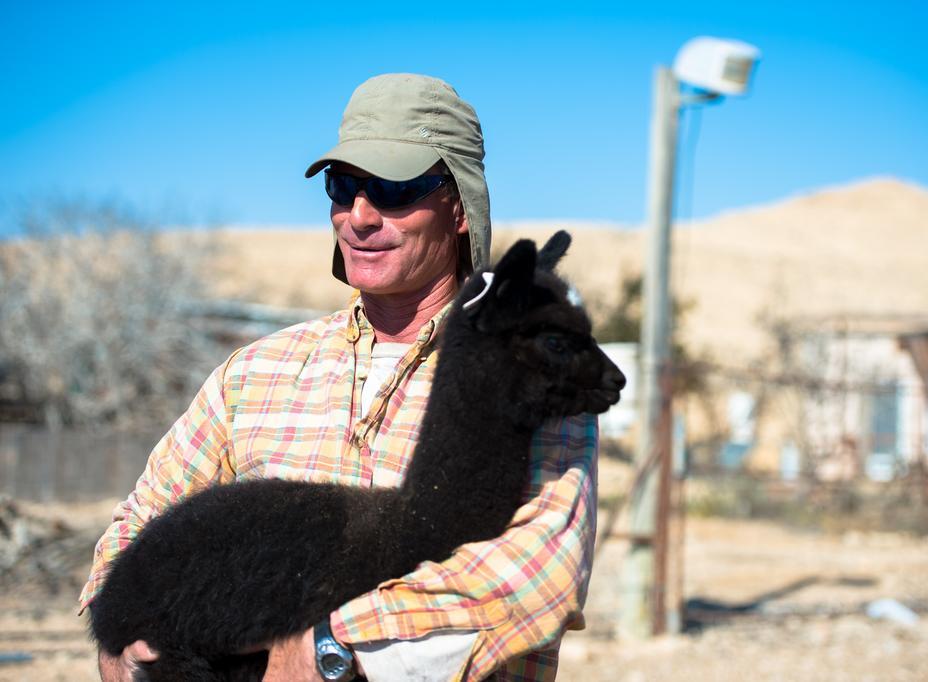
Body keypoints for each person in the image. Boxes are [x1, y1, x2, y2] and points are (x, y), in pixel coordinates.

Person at [80, 73, 599, 681]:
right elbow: (141, 522)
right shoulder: (253, 374)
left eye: (394, 188)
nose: (358, 215)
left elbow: (538, 570)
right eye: (343, 186)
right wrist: (117, 640)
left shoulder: (529, 372)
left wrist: (333, 642)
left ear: (460, 207)